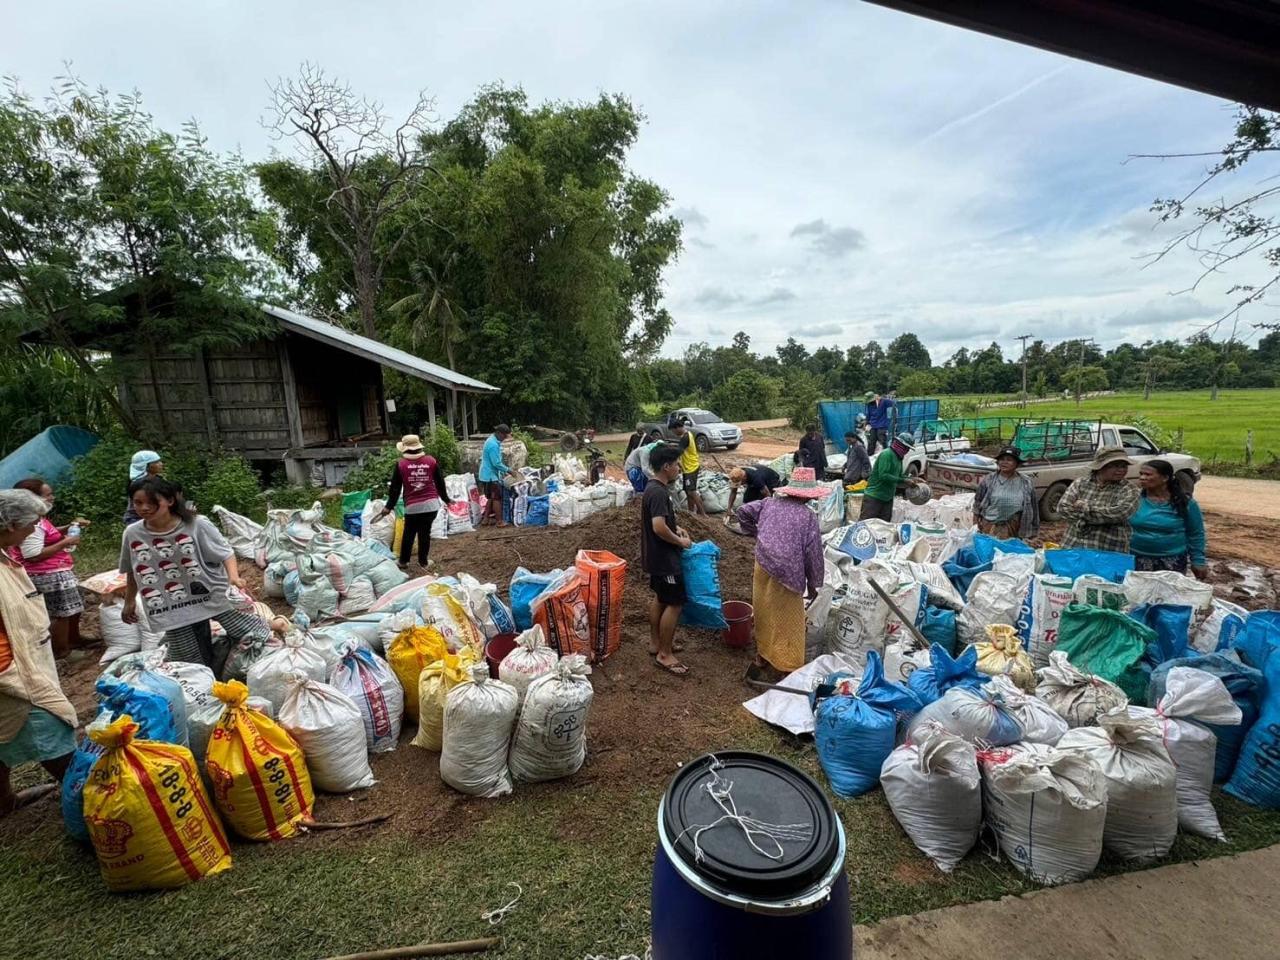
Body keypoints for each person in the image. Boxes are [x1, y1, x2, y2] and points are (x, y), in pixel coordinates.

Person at [121, 477, 271, 674]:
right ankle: (209, 689)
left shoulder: (196, 524)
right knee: (190, 663)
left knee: (252, 633)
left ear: (169, 501)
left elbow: (225, 552)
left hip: (209, 593)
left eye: (151, 501)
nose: (144, 508)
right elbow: (133, 569)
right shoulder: (133, 533)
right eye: (138, 502)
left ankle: (273, 636)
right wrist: (129, 600)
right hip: (171, 604)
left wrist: (233, 577)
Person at [0, 488, 78, 817]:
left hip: (20, 663)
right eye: (30, 523)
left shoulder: (4, 555)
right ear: (8, 524)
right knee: (53, 729)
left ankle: (4, 803)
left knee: (2, 740)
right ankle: (91, 797)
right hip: (10, 672)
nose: (35, 530)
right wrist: (7, 673)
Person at [735, 467, 825, 682]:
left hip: (763, 564)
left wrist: (756, 533)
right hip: (788, 572)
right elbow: (814, 554)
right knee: (790, 622)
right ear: (808, 495)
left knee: (764, 610)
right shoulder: (807, 516)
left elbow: (742, 512)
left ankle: (762, 656)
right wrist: (814, 585)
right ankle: (789, 668)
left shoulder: (769, 503)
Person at [9, 479, 89, 659]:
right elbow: (33, 555)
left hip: (56, 571)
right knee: (61, 613)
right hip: (46, 576)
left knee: (72, 609)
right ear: (32, 498)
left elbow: (48, 534)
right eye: (48, 495)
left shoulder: (38, 519)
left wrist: (67, 528)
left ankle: (73, 639)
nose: (52, 498)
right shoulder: (32, 523)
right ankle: (62, 651)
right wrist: (66, 542)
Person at [641, 444, 692, 677]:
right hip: (665, 558)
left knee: (660, 598)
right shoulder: (660, 492)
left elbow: (662, 521)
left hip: (655, 555)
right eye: (677, 464)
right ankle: (665, 654)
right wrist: (679, 541)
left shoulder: (652, 488)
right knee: (675, 602)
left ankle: (656, 643)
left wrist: (676, 527)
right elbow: (658, 526)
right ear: (666, 466)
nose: (679, 468)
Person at [377, 434, 451, 570]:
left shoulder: (401, 464)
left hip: (412, 506)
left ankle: (403, 562)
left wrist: (389, 506)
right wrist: (447, 499)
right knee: (425, 533)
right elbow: (440, 483)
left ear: (405, 448)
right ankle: (423, 562)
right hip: (431, 505)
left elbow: (395, 488)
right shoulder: (431, 461)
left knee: (409, 533)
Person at [1130, 459, 1207, 577]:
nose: (1142, 478)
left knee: (1167, 594)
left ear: (1165, 478)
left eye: (1148, 474)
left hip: (1172, 561)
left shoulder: (1185, 503)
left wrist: (1198, 560)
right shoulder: (1134, 499)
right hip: (1136, 558)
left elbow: (1196, 533)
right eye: (1141, 474)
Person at [1058, 447, 1140, 553]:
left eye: (1124, 466)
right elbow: (1063, 508)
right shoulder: (1080, 483)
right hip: (1073, 545)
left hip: (1108, 550)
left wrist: (1084, 507)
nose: (1121, 470)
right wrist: (1098, 516)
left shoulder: (1129, 489)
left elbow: (1118, 514)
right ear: (1100, 467)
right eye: (1115, 466)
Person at [972, 447, 1039, 540]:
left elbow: (1033, 506)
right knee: (989, 549)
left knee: (1009, 551)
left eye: (1009, 460)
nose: (1004, 462)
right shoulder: (989, 479)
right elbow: (978, 500)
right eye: (1002, 459)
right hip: (990, 523)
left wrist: (1033, 529)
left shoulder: (1026, 482)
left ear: (1017, 464)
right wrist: (975, 520)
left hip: (1014, 524)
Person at [859, 433, 916, 521]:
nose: (907, 450)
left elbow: (898, 476)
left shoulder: (899, 458)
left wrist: (909, 480)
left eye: (908, 448)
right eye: (906, 448)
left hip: (887, 498)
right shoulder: (887, 454)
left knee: (884, 526)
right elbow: (883, 476)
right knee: (867, 524)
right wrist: (904, 480)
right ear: (900, 445)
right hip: (875, 496)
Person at [478, 424, 514, 527]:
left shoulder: (492, 440)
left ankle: (485, 519)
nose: (504, 439)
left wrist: (502, 473)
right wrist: (509, 471)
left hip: (487, 474)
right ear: (499, 433)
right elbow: (496, 463)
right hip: (490, 476)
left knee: (491, 497)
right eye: (504, 436)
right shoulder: (493, 444)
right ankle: (499, 521)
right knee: (497, 498)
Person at [671, 417, 705, 515]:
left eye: (673, 431)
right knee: (687, 491)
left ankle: (703, 514)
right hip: (688, 467)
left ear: (677, 428)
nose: (674, 433)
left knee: (691, 491)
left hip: (691, 467)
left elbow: (677, 452)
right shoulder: (687, 434)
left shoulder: (685, 438)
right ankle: (691, 512)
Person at [123, 450, 164, 525]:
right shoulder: (141, 484)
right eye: (156, 462)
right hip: (137, 520)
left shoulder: (157, 479)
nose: (161, 464)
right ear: (147, 466)